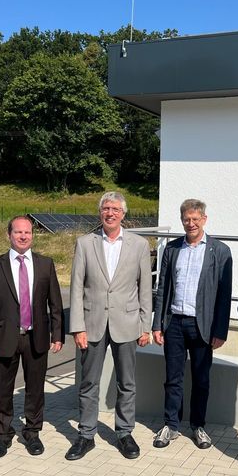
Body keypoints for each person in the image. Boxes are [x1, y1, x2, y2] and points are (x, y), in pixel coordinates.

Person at [66, 191, 153, 461]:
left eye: (115, 209)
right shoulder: (85, 243)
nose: (110, 213)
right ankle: (86, 434)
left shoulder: (139, 245)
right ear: (100, 212)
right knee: (88, 382)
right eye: (106, 208)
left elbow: (145, 288)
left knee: (126, 383)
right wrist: (77, 327)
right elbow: (76, 287)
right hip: (92, 323)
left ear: (123, 214)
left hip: (127, 323)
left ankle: (125, 433)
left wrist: (145, 325)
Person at [0, 216, 64, 459]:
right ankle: (2, 436)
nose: (23, 236)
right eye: (18, 232)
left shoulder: (45, 264)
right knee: (3, 390)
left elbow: (55, 303)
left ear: (32, 235)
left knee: (35, 389)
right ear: (9, 235)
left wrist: (57, 333)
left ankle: (32, 433)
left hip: (36, 338)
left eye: (27, 232)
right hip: (3, 338)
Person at [151, 199, 232, 449]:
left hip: (203, 325)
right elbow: (162, 287)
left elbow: (223, 294)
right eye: (187, 219)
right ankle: (171, 425)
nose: (191, 223)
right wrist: (157, 324)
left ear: (204, 220)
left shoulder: (219, 251)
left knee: (201, 379)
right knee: (172, 378)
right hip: (174, 322)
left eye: (196, 219)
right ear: (182, 220)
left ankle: (198, 426)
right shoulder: (173, 249)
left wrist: (220, 330)